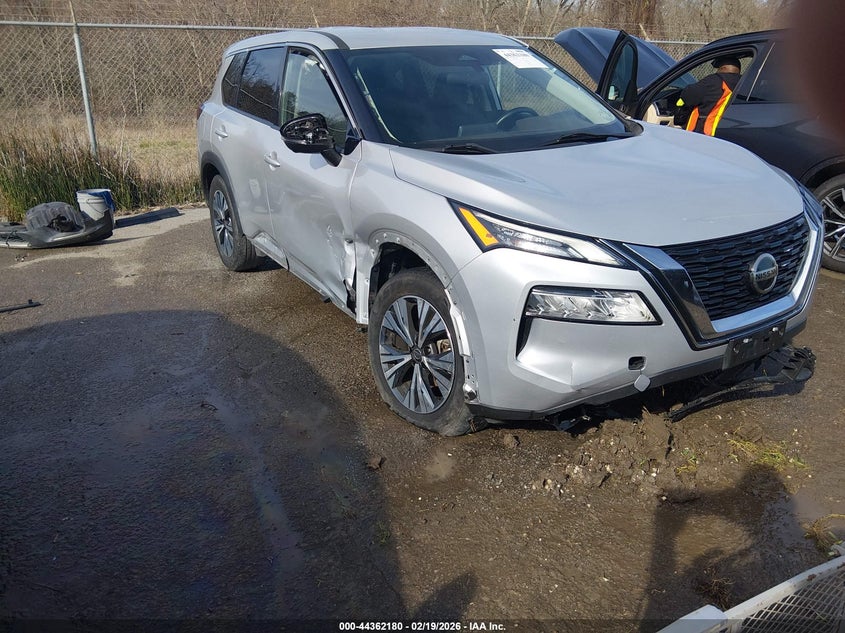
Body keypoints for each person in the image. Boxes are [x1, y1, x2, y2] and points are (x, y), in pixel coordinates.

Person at [675, 56, 741, 136]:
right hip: (728, 134)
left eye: (718, 68)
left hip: (703, 135)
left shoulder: (714, 81)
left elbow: (688, 96)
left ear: (723, 68)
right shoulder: (745, 84)